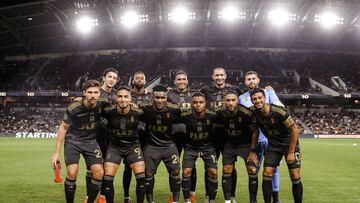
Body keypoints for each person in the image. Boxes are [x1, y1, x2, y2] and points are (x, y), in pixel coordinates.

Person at [51, 80, 108, 203]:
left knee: (99, 173)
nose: (93, 95)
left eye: (95, 92)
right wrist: (56, 153)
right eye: (90, 92)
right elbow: (63, 127)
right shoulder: (74, 108)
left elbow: (121, 103)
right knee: (72, 173)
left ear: (99, 93)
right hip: (73, 141)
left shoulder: (104, 103)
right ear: (84, 93)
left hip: (91, 141)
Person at [249, 88, 303, 203]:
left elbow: (294, 130)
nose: (257, 101)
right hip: (273, 145)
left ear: (265, 98)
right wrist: (252, 150)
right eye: (254, 99)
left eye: (260, 98)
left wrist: (291, 152)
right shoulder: (253, 113)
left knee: (294, 175)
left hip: (289, 145)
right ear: (252, 100)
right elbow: (255, 131)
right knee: (266, 173)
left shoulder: (279, 111)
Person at [238, 71, 283, 203]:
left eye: (253, 78)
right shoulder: (241, 98)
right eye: (248, 79)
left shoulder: (268, 93)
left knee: (273, 170)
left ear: (258, 80)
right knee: (252, 171)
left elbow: (280, 107)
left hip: (270, 140)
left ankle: (276, 200)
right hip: (253, 141)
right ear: (245, 82)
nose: (251, 81)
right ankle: (253, 200)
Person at [201, 67, 240, 202]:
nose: (219, 77)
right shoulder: (205, 90)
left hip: (229, 136)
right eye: (216, 75)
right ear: (213, 77)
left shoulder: (235, 90)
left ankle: (232, 196)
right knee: (209, 167)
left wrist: (266, 88)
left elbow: (249, 97)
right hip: (211, 136)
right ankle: (208, 195)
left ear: (226, 76)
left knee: (230, 167)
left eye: (221, 75)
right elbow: (191, 97)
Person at [101, 86, 146, 203]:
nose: (123, 99)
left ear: (130, 98)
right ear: (116, 98)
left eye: (126, 96)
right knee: (107, 178)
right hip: (114, 147)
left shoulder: (138, 112)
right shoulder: (108, 111)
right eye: (120, 96)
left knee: (141, 178)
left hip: (132, 147)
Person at [214, 90, 258, 203]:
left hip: (245, 145)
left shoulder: (246, 113)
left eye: (233, 100)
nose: (230, 103)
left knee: (252, 169)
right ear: (224, 102)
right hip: (230, 145)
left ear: (237, 101)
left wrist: (252, 150)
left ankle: (253, 201)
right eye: (228, 100)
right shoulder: (219, 112)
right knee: (226, 169)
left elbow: (255, 131)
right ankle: (227, 201)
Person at [140, 85, 182, 203]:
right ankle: (150, 201)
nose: (160, 100)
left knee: (175, 172)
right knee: (147, 173)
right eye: (157, 97)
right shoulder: (145, 108)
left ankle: (175, 201)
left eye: (162, 98)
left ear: (166, 97)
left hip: (169, 145)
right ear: (153, 97)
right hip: (151, 146)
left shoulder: (174, 109)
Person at [178, 92, 218, 203]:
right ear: (191, 104)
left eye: (201, 102)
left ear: (205, 104)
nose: (198, 105)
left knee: (213, 172)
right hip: (191, 148)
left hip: (208, 147)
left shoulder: (213, 115)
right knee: (186, 172)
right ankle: (187, 200)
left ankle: (212, 200)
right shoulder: (185, 116)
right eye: (195, 102)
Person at [167, 71, 197, 203]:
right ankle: (173, 194)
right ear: (174, 81)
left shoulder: (194, 94)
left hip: (190, 135)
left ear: (187, 80)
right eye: (179, 79)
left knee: (191, 166)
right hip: (173, 135)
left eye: (184, 79)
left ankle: (192, 193)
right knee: (173, 167)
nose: (181, 81)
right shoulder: (168, 94)